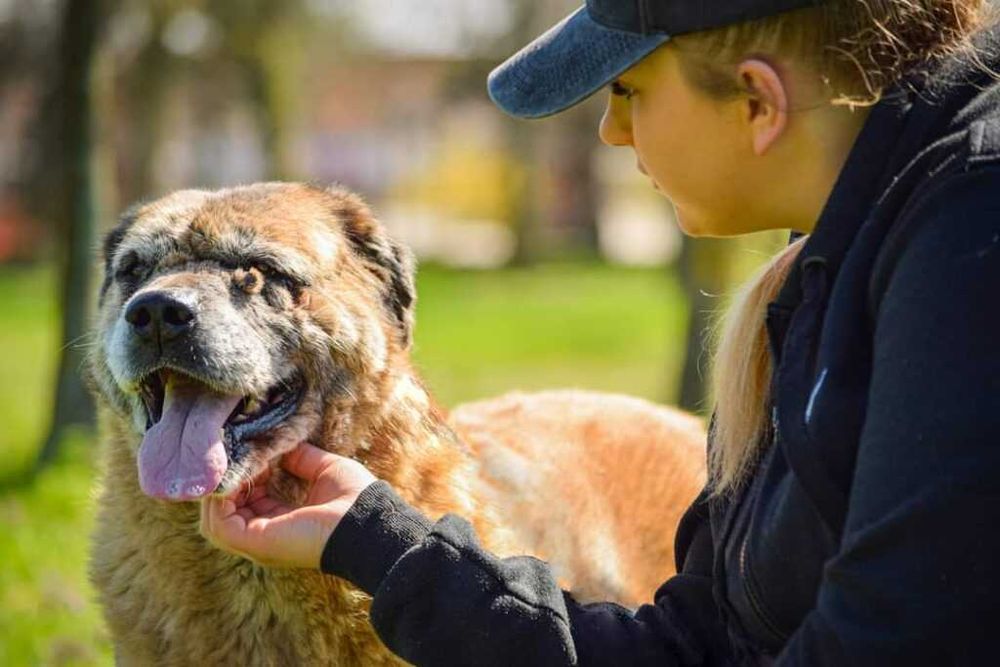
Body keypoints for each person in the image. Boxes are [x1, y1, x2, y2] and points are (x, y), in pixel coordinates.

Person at [201, 0, 1000, 664]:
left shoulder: (971, 242)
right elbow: (698, 646)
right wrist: (378, 539)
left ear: (757, 101)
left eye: (628, 92)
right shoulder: (842, 256)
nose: (611, 134)